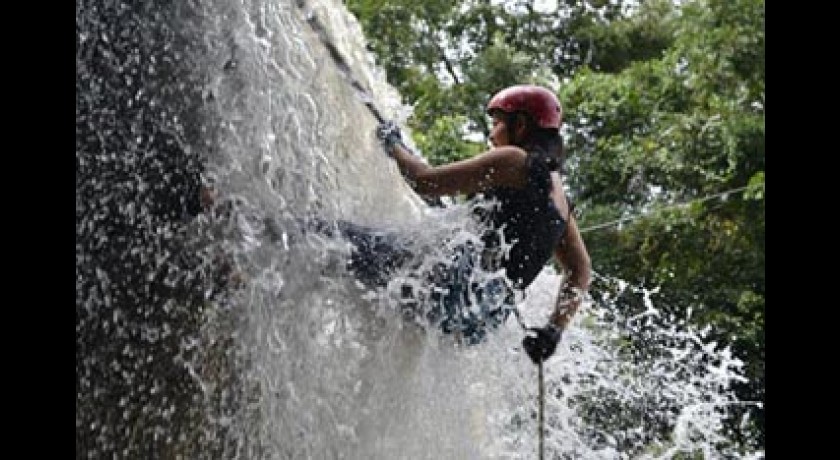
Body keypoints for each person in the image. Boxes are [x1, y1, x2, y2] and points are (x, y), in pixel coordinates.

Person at [317, 84, 591, 365]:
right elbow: (581, 269)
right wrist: (553, 331)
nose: (491, 134)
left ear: (520, 125)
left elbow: (426, 181)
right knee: (364, 281)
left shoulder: (514, 160)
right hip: (478, 319)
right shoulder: (561, 203)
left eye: (496, 123)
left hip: (449, 288)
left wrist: (394, 145)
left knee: (322, 237)